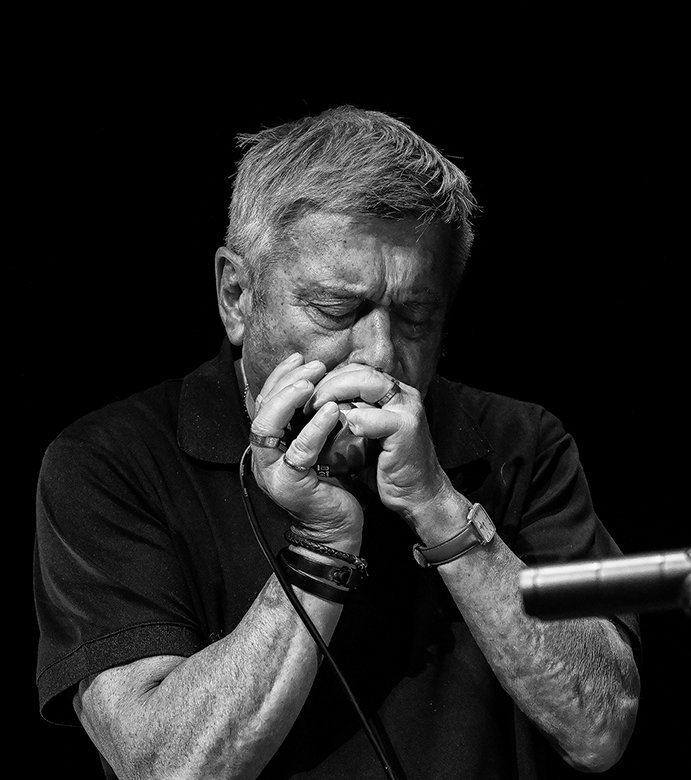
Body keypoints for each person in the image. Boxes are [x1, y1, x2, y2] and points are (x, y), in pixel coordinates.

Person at [35, 105, 641, 779]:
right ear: (237, 295)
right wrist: (322, 545)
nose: (380, 354)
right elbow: (165, 767)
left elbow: (600, 729)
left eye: (415, 316)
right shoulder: (110, 462)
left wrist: (440, 508)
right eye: (336, 309)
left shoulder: (523, 443)